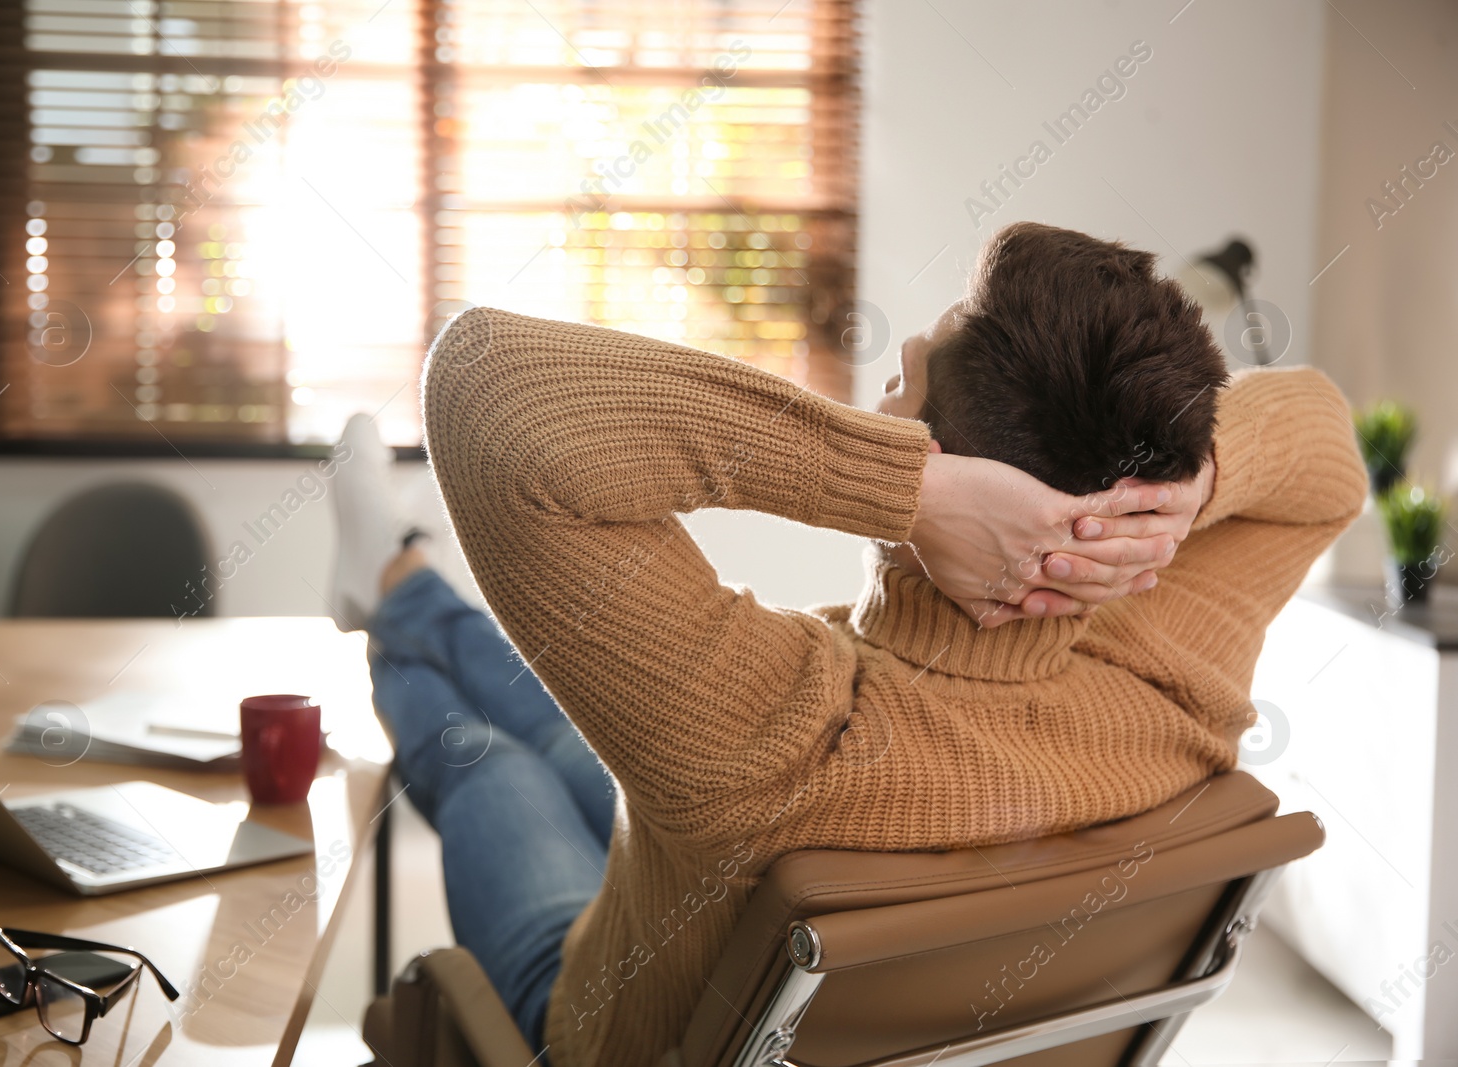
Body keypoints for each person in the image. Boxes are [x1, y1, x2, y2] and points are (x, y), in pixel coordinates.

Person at [331, 221, 1368, 1067]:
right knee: (563, 730)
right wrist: (1182, 494)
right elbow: (1324, 435)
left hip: (589, 1014)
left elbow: (485, 387)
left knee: (494, 765)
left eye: (921, 370)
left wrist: (903, 489)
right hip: (695, 859)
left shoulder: (776, 732)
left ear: (963, 489)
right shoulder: (1170, 681)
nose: (903, 356)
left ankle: (390, 606)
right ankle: (396, 580)